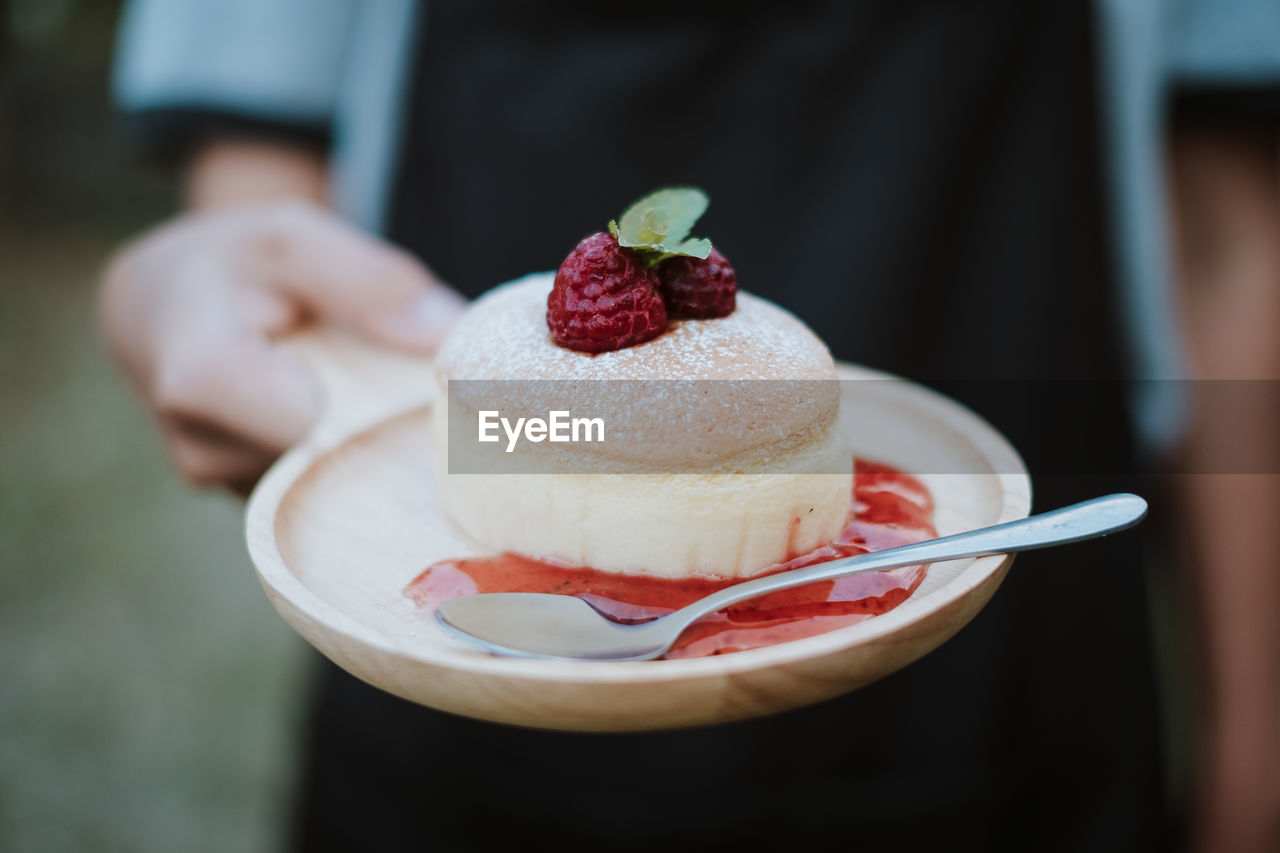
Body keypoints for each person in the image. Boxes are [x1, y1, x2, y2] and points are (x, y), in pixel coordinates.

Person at [102, 1, 1280, 849]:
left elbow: (1235, 237)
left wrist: (1255, 764)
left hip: (1013, 650)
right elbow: (256, 155)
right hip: (473, 637)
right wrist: (232, 290)